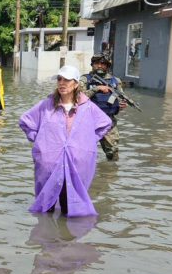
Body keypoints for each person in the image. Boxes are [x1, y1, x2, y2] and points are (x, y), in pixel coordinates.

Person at [19, 65, 112, 217]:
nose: (62, 83)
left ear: (76, 84)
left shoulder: (87, 107)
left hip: (75, 163)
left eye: (67, 80)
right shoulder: (47, 105)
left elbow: (105, 123)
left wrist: (87, 141)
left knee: (69, 204)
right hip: (49, 162)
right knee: (45, 206)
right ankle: (46, 237)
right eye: (59, 79)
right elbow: (25, 121)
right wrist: (40, 141)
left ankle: (66, 237)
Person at [82, 54, 127, 161]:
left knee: (113, 155)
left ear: (107, 66)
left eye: (103, 64)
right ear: (92, 65)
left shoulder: (115, 81)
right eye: (97, 63)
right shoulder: (85, 79)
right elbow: (79, 98)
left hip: (108, 121)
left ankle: (109, 176)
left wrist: (120, 105)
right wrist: (96, 89)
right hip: (88, 121)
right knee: (84, 154)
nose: (99, 66)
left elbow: (120, 97)